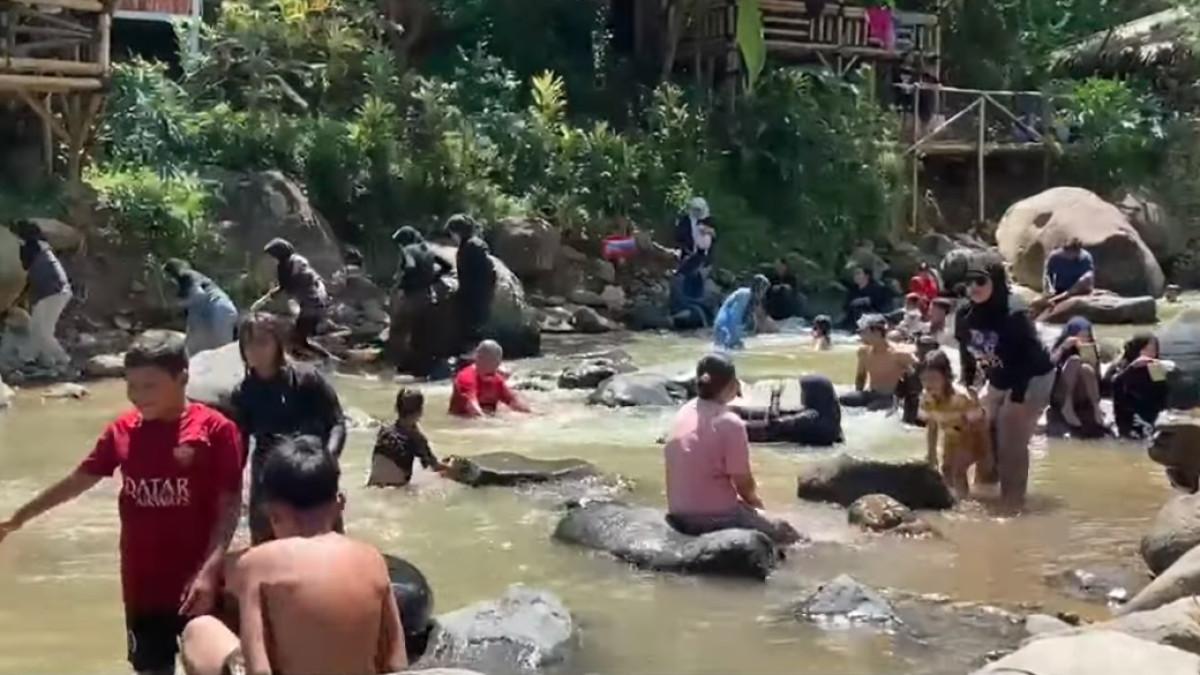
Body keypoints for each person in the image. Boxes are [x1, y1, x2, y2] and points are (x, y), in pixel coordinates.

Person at [0, 331, 243, 675]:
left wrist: (210, 571)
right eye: (132, 386)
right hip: (142, 585)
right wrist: (17, 519)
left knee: (210, 667)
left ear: (183, 378)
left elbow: (230, 506)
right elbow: (77, 481)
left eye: (150, 386)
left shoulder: (217, 430)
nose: (138, 397)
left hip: (199, 583)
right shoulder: (123, 431)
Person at [180, 435, 407, 675]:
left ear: (273, 513)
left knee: (200, 630)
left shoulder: (256, 564)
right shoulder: (372, 559)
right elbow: (396, 661)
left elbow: (260, 668)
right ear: (340, 504)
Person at [230, 313, 347, 544]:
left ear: (278, 344)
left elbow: (337, 423)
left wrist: (328, 459)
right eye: (248, 343)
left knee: (326, 544)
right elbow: (239, 443)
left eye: (262, 342)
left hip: (310, 468)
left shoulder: (307, 378)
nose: (255, 350)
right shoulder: (243, 393)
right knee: (265, 547)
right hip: (268, 474)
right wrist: (231, 484)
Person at [663, 354, 801, 545]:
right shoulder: (730, 423)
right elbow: (743, 484)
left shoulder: (683, 412)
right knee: (788, 533)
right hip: (716, 517)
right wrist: (756, 504)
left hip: (678, 512)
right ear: (732, 385)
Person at [955, 254, 1054, 511]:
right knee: (981, 431)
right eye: (969, 282)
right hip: (999, 376)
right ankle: (986, 490)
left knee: (1011, 438)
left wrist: (1017, 398)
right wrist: (969, 385)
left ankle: (1013, 503)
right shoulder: (965, 314)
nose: (973, 287)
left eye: (980, 280)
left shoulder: (1014, 314)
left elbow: (1028, 359)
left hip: (1032, 377)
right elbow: (965, 351)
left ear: (996, 281)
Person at [920, 351, 994, 500]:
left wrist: (987, 455)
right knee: (946, 469)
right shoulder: (927, 398)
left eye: (934, 379)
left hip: (973, 437)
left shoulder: (961, 397)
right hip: (952, 436)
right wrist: (931, 454)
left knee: (958, 471)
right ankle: (952, 500)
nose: (928, 384)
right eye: (924, 379)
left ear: (946, 377)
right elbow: (932, 426)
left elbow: (979, 425)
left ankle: (963, 504)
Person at [252, 238, 333, 360]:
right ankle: (319, 360)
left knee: (297, 339)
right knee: (298, 338)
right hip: (319, 302)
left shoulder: (287, 265)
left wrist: (266, 298)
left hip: (311, 306)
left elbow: (286, 287)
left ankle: (327, 360)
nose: (271, 259)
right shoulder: (298, 260)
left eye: (272, 255)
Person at [390, 226, 454, 373]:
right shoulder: (428, 249)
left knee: (400, 331)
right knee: (422, 333)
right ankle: (426, 367)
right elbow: (447, 266)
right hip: (429, 296)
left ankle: (401, 366)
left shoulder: (408, 251)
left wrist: (400, 285)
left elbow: (410, 268)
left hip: (413, 297)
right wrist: (432, 278)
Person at [13, 219, 72, 370]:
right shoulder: (41, 246)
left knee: (43, 332)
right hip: (55, 292)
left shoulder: (31, 248)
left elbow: (27, 269)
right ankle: (33, 359)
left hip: (53, 293)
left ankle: (63, 360)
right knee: (36, 328)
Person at [735, 375, 843, 447]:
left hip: (777, 437)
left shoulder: (811, 416)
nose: (802, 394)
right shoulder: (829, 414)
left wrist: (775, 397)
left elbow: (776, 423)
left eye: (804, 391)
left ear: (814, 393)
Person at [369, 388, 445, 487]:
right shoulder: (417, 439)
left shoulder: (384, 431)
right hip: (395, 491)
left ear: (396, 408)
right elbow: (435, 467)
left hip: (373, 486)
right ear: (420, 411)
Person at [840, 314, 917, 412]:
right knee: (842, 400)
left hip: (889, 397)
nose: (860, 334)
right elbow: (860, 377)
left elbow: (918, 374)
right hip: (871, 393)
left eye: (863, 331)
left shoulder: (899, 353)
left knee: (871, 409)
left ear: (877, 332)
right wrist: (858, 396)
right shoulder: (863, 352)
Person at [163, 259, 239, 357]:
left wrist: (177, 304)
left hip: (219, 311)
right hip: (218, 311)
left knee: (223, 352)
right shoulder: (190, 281)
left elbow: (199, 296)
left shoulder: (186, 276)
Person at [445, 214, 497, 352]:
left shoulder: (469, 247)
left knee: (471, 332)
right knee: (476, 331)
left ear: (458, 232)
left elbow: (476, 273)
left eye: (452, 233)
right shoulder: (476, 244)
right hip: (481, 295)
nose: (452, 238)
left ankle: (473, 360)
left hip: (474, 297)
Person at [1106, 333, 1171, 440]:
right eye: (1146, 349)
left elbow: (1162, 395)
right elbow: (1113, 385)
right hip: (1127, 415)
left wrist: (1163, 375)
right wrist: (1132, 368)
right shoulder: (1123, 365)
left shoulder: (1155, 368)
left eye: (1153, 350)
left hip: (1149, 415)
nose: (1150, 354)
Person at [1049, 316, 1107, 433]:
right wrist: (1063, 348)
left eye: (1087, 336)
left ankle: (1095, 407)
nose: (1083, 339)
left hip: (1083, 394)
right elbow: (1048, 366)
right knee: (1074, 360)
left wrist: (1093, 363)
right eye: (1080, 336)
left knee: (1086, 368)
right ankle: (1067, 406)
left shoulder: (1092, 348)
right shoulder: (1061, 347)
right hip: (1062, 392)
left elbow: (1098, 378)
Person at [449, 340, 530, 417]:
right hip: (465, 423)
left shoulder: (497, 379)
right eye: (493, 360)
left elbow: (514, 401)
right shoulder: (466, 377)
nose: (497, 365)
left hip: (485, 417)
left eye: (498, 361)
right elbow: (473, 408)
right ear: (479, 358)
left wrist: (532, 415)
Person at [1034, 238, 1095, 316]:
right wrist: (1048, 292)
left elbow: (1089, 278)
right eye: (1068, 253)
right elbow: (1047, 276)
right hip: (1059, 289)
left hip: (1078, 290)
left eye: (1075, 253)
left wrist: (1074, 290)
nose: (1070, 256)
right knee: (1036, 302)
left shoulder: (1085, 258)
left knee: (1085, 278)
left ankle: (1061, 298)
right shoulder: (1055, 257)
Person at [712, 275, 770, 350]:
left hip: (728, 326)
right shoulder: (744, 296)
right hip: (724, 326)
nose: (763, 294)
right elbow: (734, 317)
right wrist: (734, 338)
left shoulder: (751, 298)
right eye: (763, 290)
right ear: (758, 288)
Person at [670, 250, 712, 330]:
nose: (707, 271)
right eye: (705, 267)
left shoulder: (698, 278)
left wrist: (703, 301)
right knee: (697, 311)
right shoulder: (681, 277)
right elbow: (679, 298)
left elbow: (699, 295)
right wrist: (698, 302)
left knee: (708, 311)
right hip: (680, 306)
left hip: (694, 304)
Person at [841, 265, 893, 330]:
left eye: (858, 273)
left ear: (867, 276)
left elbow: (882, 306)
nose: (855, 276)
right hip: (852, 322)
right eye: (855, 274)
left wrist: (864, 301)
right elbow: (846, 307)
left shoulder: (877, 289)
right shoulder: (853, 290)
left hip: (872, 322)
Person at [675, 196, 715, 263]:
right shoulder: (684, 221)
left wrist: (710, 231)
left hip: (705, 257)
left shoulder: (709, 221)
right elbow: (679, 237)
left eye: (699, 210)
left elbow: (716, 237)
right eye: (695, 209)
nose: (697, 212)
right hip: (688, 255)